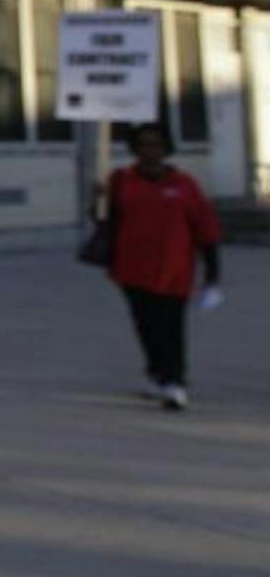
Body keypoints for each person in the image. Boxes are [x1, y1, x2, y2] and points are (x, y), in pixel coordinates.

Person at [102, 120, 222, 411]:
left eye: (155, 144)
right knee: (146, 326)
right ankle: (156, 373)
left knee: (170, 327)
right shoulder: (121, 181)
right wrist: (97, 202)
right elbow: (105, 223)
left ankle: (175, 382)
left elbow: (205, 229)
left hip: (174, 270)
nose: (149, 151)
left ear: (166, 148)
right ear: (134, 149)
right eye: (143, 145)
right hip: (132, 268)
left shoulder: (184, 185)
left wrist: (212, 274)